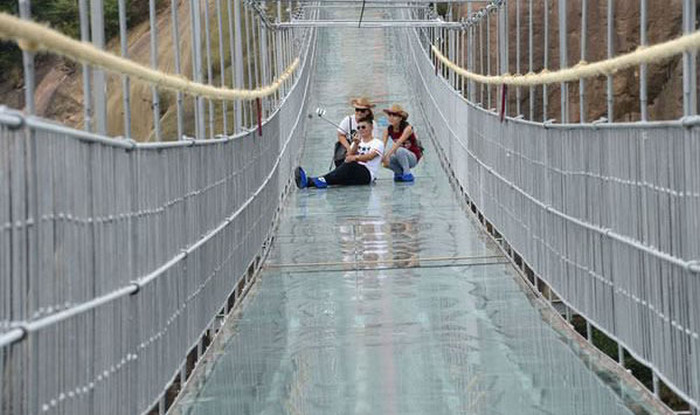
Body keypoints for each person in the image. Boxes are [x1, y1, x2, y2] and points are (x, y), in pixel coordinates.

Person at [296, 115, 384, 188]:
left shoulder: (377, 143)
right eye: (358, 127)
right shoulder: (356, 142)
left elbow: (370, 156)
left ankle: (318, 180)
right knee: (340, 175)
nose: (361, 129)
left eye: (363, 127)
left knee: (350, 165)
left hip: (367, 173)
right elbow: (348, 156)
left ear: (371, 127)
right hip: (353, 170)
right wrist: (356, 144)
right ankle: (309, 182)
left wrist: (355, 158)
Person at [333, 97, 381, 167]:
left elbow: (373, 141)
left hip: (363, 149)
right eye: (357, 110)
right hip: (348, 146)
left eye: (362, 111)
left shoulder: (373, 124)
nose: (359, 113)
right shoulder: (348, 119)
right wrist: (348, 148)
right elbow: (340, 135)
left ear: (367, 112)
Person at [381, 104, 422, 182]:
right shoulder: (388, 129)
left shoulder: (407, 128)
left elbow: (398, 143)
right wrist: (382, 156)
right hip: (400, 155)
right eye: (390, 115)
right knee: (383, 158)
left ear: (400, 118)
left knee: (399, 150)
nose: (391, 118)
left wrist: (388, 155)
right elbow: (382, 145)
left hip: (412, 157)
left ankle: (407, 173)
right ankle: (398, 172)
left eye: (394, 115)